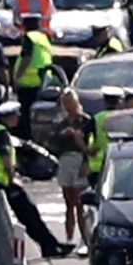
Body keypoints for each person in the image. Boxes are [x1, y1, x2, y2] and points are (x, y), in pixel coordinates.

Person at [0, 101, 71, 258]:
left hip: (1, 182)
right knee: (28, 215)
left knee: (30, 214)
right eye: (16, 115)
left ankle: (50, 245)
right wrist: (13, 178)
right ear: (9, 117)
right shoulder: (1, 134)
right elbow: (6, 157)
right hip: (3, 184)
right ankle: (50, 246)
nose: (18, 118)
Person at [51, 89, 94, 247]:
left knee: (80, 203)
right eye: (66, 103)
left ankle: (84, 239)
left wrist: (86, 163)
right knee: (68, 202)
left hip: (80, 160)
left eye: (71, 102)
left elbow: (91, 144)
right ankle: (69, 239)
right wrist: (62, 134)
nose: (69, 106)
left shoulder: (86, 121)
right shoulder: (61, 123)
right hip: (65, 160)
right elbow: (52, 142)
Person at [14, 14, 53, 135]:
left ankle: (25, 138)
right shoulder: (43, 37)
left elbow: (27, 57)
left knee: (25, 113)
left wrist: (17, 77)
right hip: (43, 80)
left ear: (25, 25)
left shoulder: (29, 37)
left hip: (28, 81)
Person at [87, 86, 125, 187]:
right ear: (119, 101)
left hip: (98, 166)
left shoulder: (96, 118)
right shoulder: (125, 118)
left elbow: (85, 137)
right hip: (121, 166)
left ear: (105, 101)